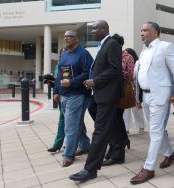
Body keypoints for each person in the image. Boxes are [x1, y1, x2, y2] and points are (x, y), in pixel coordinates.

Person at [69, 20, 123, 182]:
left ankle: (90, 169)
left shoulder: (112, 44)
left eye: (95, 28)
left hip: (107, 94)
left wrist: (95, 81)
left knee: (99, 131)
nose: (92, 31)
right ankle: (118, 154)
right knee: (114, 125)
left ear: (104, 29)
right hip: (100, 93)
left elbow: (114, 69)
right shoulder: (103, 44)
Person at [130, 21, 174, 185]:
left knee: (155, 130)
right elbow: (141, 76)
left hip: (161, 95)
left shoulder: (165, 47)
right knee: (157, 129)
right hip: (146, 96)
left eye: (145, 30)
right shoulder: (144, 51)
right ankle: (169, 153)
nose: (142, 33)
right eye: (141, 30)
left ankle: (149, 168)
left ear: (156, 32)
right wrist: (138, 98)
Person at [53, 30, 92, 167]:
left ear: (77, 39)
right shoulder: (64, 54)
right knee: (77, 123)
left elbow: (89, 73)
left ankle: (68, 155)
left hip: (77, 95)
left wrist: (72, 82)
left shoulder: (84, 54)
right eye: (65, 37)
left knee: (70, 126)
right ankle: (86, 145)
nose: (66, 39)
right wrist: (56, 91)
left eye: (69, 37)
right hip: (63, 95)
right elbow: (59, 74)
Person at [102, 33, 131, 166]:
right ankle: (121, 142)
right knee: (116, 120)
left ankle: (118, 147)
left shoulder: (126, 57)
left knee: (116, 119)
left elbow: (128, 74)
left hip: (121, 91)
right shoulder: (113, 55)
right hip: (111, 91)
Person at [122, 48, 148, 134]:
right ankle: (126, 128)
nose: (125, 56)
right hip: (127, 88)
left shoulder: (138, 63)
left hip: (135, 88)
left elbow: (135, 77)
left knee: (136, 109)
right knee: (126, 109)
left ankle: (141, 126)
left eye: (126, 53)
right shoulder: (123, 62)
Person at [47, 48, 66, 153]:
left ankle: (73, 144)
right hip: (60, 96)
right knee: (62, 121)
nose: (63, 53)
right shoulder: (58, 65)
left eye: (65, 51)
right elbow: (56, 80)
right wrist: (55, 92)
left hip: (69, 96)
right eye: (61, 52)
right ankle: (57, 144)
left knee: (70, 122)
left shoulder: (70, 63)